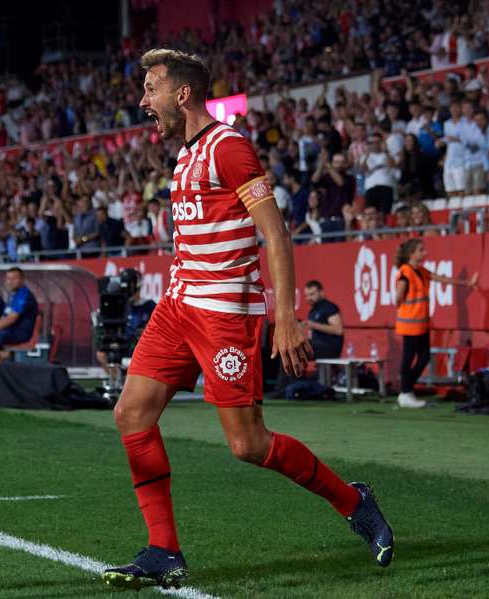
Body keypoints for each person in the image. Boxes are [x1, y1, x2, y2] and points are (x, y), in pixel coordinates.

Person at [101, 49, 394, 592]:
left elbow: (276, 234)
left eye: (151, 89)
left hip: (224, 315)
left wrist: (286, 318)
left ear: (182, 93)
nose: (143, 101)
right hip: (177, 305)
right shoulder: (185, 157)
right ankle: (163, 550)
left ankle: (355, 502)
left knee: (248, 445)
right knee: (131, 414)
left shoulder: (228, 147)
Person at [394, 239, 477, 409]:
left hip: (422, 324)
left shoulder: (421, 271)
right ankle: (405, 392)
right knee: (408, 358)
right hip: (410, 324)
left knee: (424, 358)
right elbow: (398, 296)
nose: (425, 253)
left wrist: (465, 283)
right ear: (412, 254)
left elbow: (441, 279)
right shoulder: (405, 272)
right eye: (421, 250)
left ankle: (406, 390)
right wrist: (404, 305)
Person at [95, 269, 156, 386]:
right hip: (121, 343)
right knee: (102, 353)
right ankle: (121, 383)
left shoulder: (149, 306)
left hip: (139, 346)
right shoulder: (118, 305)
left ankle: (131, 384)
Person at [302, 281, 344, 359]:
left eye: (312, 294)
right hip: (316, 345)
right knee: (291, 345)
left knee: (298, 346)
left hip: (330, 348)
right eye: (306, 295)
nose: (309, 298)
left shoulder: (329, 307)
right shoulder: (313, 311)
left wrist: (314, 325)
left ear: (321, 292)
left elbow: (338, 330)